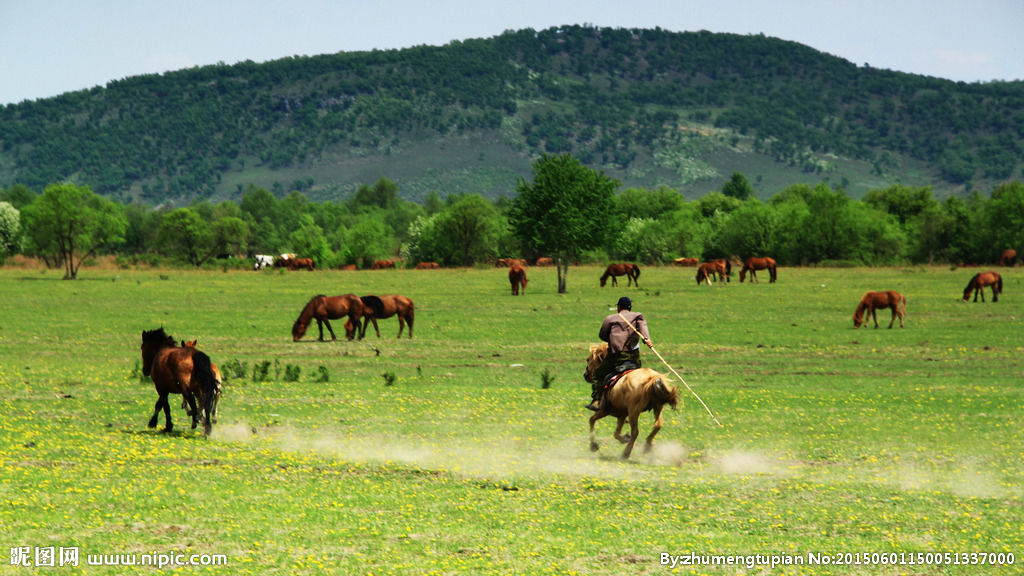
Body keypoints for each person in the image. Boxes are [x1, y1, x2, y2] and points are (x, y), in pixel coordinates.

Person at [585, 296, 652, 411]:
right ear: (630, 308)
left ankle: (596, 401)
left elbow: (602, 335)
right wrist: (647, 339)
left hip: (616, 358)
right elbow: (643, 329)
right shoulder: (638, 316)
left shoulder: (610, 319)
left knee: (598, 374)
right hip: (634, 359)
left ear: (618, 307)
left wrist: (613, 338)